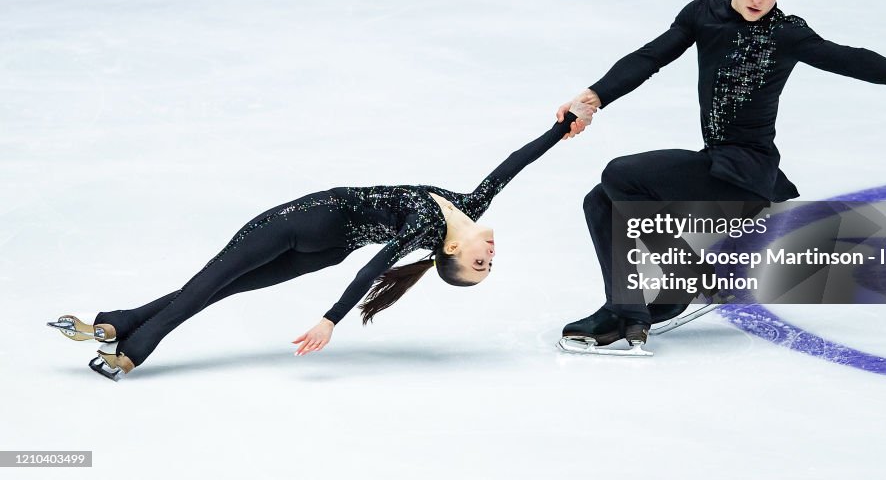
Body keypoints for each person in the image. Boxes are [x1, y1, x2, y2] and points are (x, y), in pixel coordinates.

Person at [555, 0, 886, 352]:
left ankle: (659, 293)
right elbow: (650, 57)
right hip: (715, 162)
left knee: (621, 174)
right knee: (600, 200)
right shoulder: (704, 14)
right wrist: (595, 96)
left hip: (748, 173)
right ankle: (625, 304)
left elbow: (846, 57)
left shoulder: (786, 33)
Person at [48, 103, 594, 380]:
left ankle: (132, 352)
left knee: (214, 283)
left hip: (308, 229)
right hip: (315, 235)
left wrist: (331, 319)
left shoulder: (428, 230)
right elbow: (515, 164)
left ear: (452, 253)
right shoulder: (472, 207)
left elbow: (370, 270)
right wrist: (561, 128)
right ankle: (118, 323)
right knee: (213, 288)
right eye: (489, 264)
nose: (490, 259)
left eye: (480, 267)